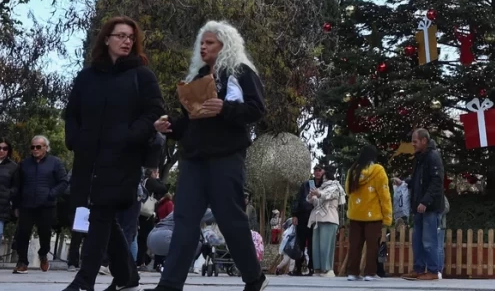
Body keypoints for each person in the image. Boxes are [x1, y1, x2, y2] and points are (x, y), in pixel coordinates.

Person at [148, 20, 268, 291]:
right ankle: (169, 284)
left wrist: (225, 108)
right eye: (202, 42)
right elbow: (190, 122)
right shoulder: (197, 76)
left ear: (225, 45)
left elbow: (256, 110)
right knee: (184, 220)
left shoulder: (241, 72)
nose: (203, 46)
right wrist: (170, 127)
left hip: (226, 156)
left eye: (210, 42)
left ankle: (253, 277)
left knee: (230, 219)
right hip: (193, 157)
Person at [60, 16, 165, 291]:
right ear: (106, 38)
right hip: (89, 157)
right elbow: (71, 113)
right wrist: (74, 139)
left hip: (123, 158)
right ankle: (128, 277)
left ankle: (84, 281)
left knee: (102, 213)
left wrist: (132, 135)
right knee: (100, 214)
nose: (126, 41)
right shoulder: (88, 76)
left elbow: (154, 109)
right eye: (120, 35)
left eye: (131, 37)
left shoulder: (142, 75)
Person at [13, 135, 68, 274]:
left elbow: (63, 182)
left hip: (46, 205)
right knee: (23, 233)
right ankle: (22, 262)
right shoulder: (25, 163)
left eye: (38, 146)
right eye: (33, 147)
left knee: (45, 234)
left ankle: (43, 254)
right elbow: (18, 185)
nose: (35, 149)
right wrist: (16, 205)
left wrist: (51, 194)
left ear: (46, 148)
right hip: (26, 205)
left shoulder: (55, 162)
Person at [402, 128, 446, 281]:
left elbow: (436, 182)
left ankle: (433, 271)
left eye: (415, 141)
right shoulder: (420, 157)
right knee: (417, 241)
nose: (412, 144)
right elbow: (418, 180)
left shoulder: (433, 157)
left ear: (424, 141)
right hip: (419, 206)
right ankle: (419, 269)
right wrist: (405, 182)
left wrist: (425, 201)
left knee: (429, 240)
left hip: (429, 207)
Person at [345, 147, 391, 281]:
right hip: (373, 215)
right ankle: (370, 273)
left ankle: (352, 273)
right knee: (372, 245)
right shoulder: (378, 170)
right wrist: (387, 217)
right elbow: (384, 195)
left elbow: (348, 191)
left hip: (355, 214)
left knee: (355, 245)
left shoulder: (352, 170)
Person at [305, 166, 343, 277]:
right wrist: (311, 196)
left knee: (326, 246)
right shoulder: (320, 188)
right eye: (323, 177)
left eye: (326, 177)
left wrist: (319, 194)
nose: (324, 179)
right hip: (317, 218)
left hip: (329, 218)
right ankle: (318, 269)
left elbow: (329, 196)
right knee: (316, 246)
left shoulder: (336, 186)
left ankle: (327, 269)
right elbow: (313, 201)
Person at [290, 165, 326, 275]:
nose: (318, 172)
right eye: (316, 170)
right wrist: (295, 215)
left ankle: (312, 268)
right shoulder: (306, 184)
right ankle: (298, 267)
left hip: (316, 218)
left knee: (313, 244)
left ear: (323, 172)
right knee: (300, 242)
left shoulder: (325, 185)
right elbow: (297, 199)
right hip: (303, 217)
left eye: (320, 170)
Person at [0, 136, 17, 251]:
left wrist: (7, 196)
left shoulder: (13, 167)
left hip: (1, 206)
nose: (1, 150)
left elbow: (16, 187)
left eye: (5, 148)